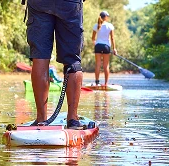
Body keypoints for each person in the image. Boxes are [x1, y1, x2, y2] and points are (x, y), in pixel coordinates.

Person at [26, 0, 84, 129]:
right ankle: (73, 119)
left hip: (39, 3)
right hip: (70, 4)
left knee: (40, 57)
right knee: (72, 60)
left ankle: (41, 119)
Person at [91, 11, 117, 86]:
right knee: (106, 65)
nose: (108, 17)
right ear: (105, 17)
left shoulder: (96, 25)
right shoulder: (110, 26)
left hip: (98, 46)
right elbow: (112, 38)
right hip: (106, 47)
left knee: (98, 64)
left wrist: (95, 43)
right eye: (107, 16)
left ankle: (97, 82)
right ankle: (106, 84)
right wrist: (114, 48)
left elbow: (93, 38)